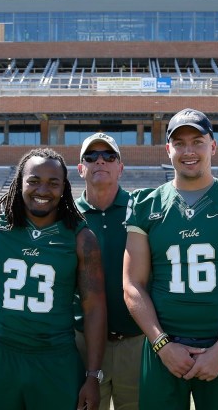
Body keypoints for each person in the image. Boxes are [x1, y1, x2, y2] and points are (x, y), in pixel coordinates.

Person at [123, 108, 218, 409]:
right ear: (168, 149)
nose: (188, 151)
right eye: (179, 143)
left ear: (212, 146)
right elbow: (132, 284)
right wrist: (162, 344)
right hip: (164, 347)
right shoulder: (145, 204)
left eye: (197, 141)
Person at [0, 148, 106, 410]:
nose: (42, 190)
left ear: (64, 187)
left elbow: (94, 309)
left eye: (53, 183)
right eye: (34, 181)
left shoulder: (81, 238)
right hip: (3, 354)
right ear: (20, 183)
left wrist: (93, 375)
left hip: (55, 357)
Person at [74, 132, 141, 410]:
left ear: (120, 167)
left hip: (135, 340)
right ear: (80, 169)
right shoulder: (66, 215)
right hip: (81, 342)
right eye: (91, 157)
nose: (100, 161)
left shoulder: (142, 209)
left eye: (109, 156)